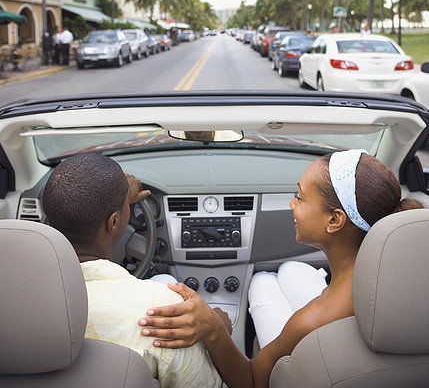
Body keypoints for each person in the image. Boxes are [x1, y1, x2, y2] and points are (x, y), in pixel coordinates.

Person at [137, 150, 424, 388]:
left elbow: (251, 380)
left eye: (299, 197)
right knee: (284, 270)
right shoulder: (406, 278)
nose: (291, 204)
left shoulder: (310, 323)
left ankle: (260, 282)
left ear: (335, 220)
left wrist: (215, 329)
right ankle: (265, 278)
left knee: (259, 281)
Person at [43, 152, 222, 388]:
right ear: (114, 222)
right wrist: (218, 332)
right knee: (164, 279)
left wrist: (113, 193)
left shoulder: (14, 303)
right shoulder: (162, 311)